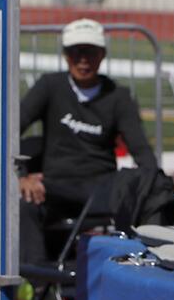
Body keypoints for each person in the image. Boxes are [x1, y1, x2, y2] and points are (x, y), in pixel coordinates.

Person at [18, 19, 163, 264]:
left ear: (102, 55)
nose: (83, 59)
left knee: (147, 199)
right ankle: (40, 283)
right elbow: (10, 129)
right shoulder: (50, 86)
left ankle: (140, 273)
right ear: (65, 56)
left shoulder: (119, 96)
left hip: (100, 189)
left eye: (90, 52)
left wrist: (153, 184)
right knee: (24, 205)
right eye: (76, 52)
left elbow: (141, 150)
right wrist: (21, 175)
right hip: (55, 188)